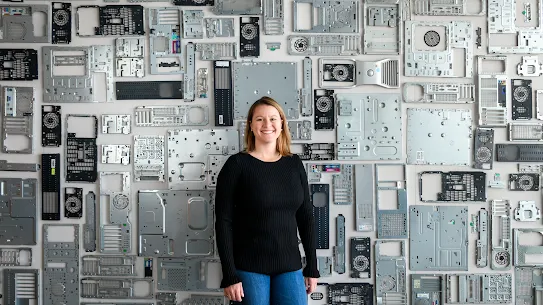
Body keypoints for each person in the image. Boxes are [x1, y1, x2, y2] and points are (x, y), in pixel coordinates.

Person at [215, 96, 320, 305]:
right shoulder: (236, 165)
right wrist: (229, 275)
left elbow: (306, 216)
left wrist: (312, 266)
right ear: (251, 126)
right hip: (248, 269)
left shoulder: (294, 164)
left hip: (290, 266)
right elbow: (223, 222)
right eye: (260, 119)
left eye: (273, 119)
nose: (267, 125)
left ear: (282, 124)